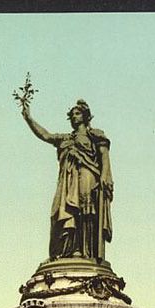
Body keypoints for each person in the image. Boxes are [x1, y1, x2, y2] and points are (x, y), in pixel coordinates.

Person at [19, 93, 113, 261]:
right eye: (72, 115)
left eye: (77, 113)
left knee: (86, 209)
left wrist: (105, 175)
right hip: (68, 180)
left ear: (85, 116)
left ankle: (86, 251)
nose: (74, 117)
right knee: (65, 211)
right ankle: (69, 250)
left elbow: (104, 157)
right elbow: (46, 135)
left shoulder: (95, 135)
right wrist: (28, 118)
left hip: (88, 173)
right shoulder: (65, 138)